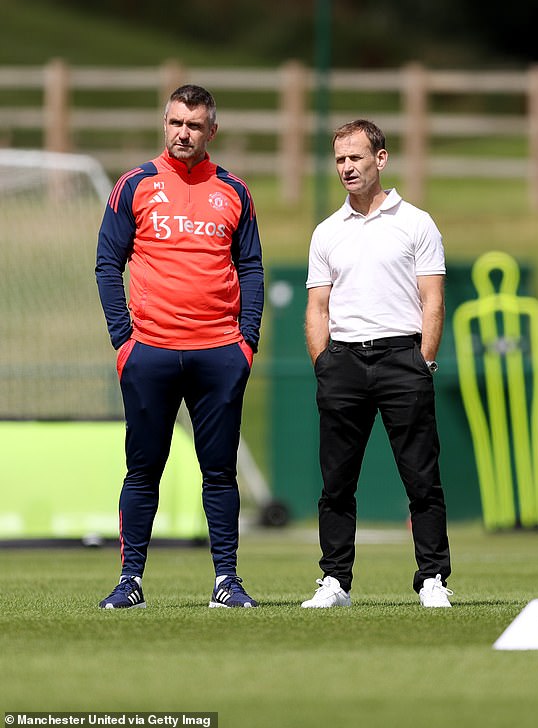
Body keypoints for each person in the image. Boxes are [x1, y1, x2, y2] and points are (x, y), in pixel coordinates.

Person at [95, 84, 264, 609]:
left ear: (211, 130)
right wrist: (125, 342)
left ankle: (227, 581)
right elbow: (107, 265)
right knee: (144, 468)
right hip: (151, 352)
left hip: (219, 352)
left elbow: (252, 268)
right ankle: (130, 581)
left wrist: (247, 343)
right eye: (175, 123)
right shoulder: (135, 185)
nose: (182, 133)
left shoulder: (234, 190)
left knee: (219, 471)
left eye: (193, 125)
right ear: (164, 124)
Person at [301, 119, 453, 609]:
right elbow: (317, 307)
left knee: (421, 477)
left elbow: (433, 301)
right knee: (336, 482)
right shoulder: (326, 232)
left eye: (356, 158)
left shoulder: (417, 223)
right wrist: (324, 364)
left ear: (380, 159)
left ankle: (433, 577)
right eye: (340, 159)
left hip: (401, 358)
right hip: (344, 360)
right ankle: (335, 582)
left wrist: (422, 362)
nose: (347, 167)